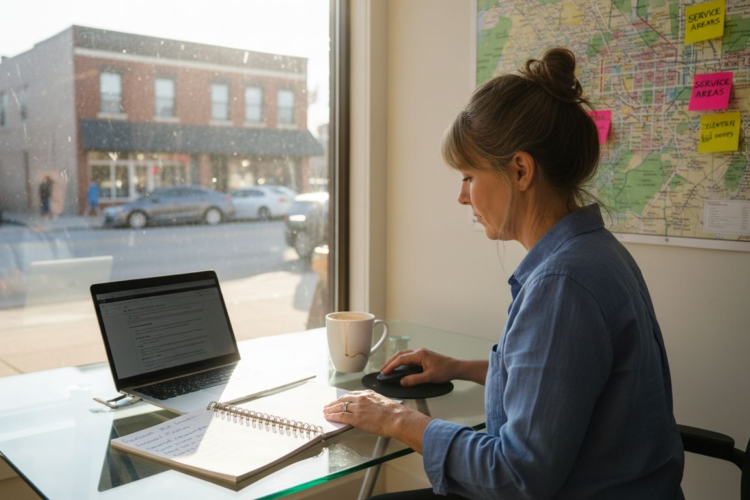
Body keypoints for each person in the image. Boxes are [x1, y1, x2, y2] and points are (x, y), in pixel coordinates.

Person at [323, 48, 685, 499]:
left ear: (520, 170)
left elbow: (515, 476)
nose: (462, 197)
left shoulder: (562, 285)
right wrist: (463, 367)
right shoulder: (594, 251)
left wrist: (397, 419)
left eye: (469, 177)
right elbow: (561, 383)